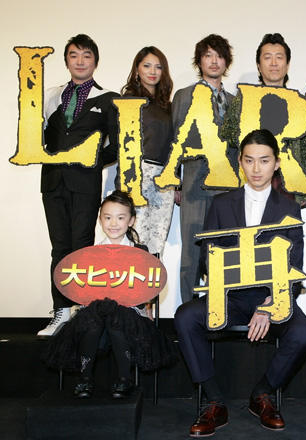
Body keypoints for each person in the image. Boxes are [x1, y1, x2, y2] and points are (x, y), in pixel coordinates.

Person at [174, 129, 306, 436]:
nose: (256, 168)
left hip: (271, 297)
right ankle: (214, 401)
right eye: (249, 160)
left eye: (264, 160)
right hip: (230, 297)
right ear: (240, 162)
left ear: (276, 163)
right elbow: (208, 257)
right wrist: (225, 287)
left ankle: (262, 394)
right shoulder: (221, 204)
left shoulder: (289, 208)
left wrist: (270, 305)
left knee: (303, 332)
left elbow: (294, 265)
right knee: (185, 317)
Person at [42, 191, 176, 398]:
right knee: (94, 317)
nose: (114, 223)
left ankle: (124, 379)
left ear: (131, 220)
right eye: (108, 217)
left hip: (129, 319)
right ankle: (85, 379)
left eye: (120, 218)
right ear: (100, 220)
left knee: (116, 317)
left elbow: (146, 290)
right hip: (95, 319)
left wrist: (148, 308)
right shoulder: (90, 253)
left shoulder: (140, 251)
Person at [38, 34, 120, 337]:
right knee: (59, 247)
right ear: (66, 61)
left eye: (86, 55)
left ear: (95, 61)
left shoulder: (108, 99)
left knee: (81, 247)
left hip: (85, 184)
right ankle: (60, 312)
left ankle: (81, 312)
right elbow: (37, 137)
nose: (80, 61)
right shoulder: (50, 96)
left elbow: (116, 146)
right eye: (74, 55)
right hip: (53, 182)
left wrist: (92, 161)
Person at [173, 34, 235, 305]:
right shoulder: (184, 96)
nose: (214, 61)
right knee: (192, 253)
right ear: (199, 61)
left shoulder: (235, 101)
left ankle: (221, 310)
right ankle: (188, 311)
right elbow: (175, 140)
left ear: (226, 62)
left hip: (227, 188)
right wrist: (175, 181)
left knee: (224, 252)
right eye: (208, 55)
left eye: (219, 56)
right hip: (194, 185)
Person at [220, 33, 306, 207]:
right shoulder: (244, 98)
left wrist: (302, 191)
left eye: (279, 57)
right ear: (259, 65)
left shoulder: (298, 103)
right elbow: (228, 135)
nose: (273, 63)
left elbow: (305, 148)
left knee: (284, 225)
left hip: (286, 182)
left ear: (287, 64)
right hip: (250, 178)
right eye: (267, 57)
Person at [121, 46, 174, 256]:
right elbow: (122, 144)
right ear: (137, 69)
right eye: (147, 66)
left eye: (158, 67)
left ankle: (155, 279)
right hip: (138, 174)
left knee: (157, 241)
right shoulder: (128, 101)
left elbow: (174, 144)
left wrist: (177, 182)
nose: (153, 71)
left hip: (165, 178)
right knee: (138, 239)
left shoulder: (168, 106)